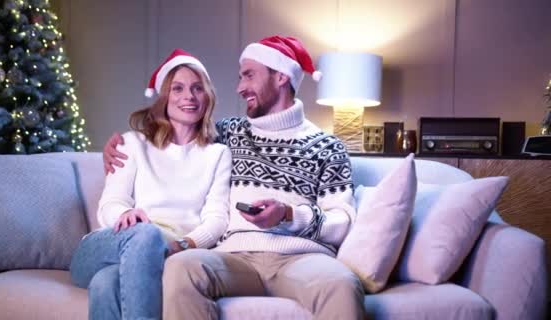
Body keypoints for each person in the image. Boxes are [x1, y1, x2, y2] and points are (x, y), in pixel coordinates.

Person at [104, 36, 365, 320]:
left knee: (342, 285)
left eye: (249, 76)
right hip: (233, 258)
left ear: (280, 76)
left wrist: (289, 215)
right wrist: (117, 147)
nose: (240, 87)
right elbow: (175, 133)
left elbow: (342, 222)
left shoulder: (327, 146)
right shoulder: (228, 133)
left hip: (302, 259)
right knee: (181, 269)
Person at [70, 49, 232, 320]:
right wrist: (125, 215)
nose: (189, 97)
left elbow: (216, 218)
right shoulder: (132, 143)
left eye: (197, 88)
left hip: (169, 251)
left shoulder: (217, 154)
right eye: (177, 88)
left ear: (208, 97)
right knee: (146, 234)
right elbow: (111, 203)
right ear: (164, 97)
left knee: (105, 284)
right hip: (112, 244)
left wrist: (182, 244)